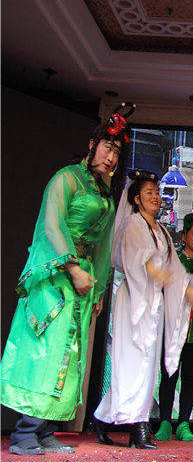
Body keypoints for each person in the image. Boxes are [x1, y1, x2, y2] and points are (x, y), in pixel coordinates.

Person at [0, 106, 133, 455]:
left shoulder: (103, 192)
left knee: (70, 356)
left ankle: (46, 431)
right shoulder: (66, 178)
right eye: (107, 147)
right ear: (92, 145)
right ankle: (24, 434)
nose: (111, 156)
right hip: (58, 276)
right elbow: (52, 226)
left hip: (83, 281)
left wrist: (98, 286)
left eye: (117, 151)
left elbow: (103, 245)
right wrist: (72, 268)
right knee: (47, 352)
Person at [93, 171, 193, 449]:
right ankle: (139, 427)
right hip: (135, 301)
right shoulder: (133, 225)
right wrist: (160, 276)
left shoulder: (162, 231)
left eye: (157, 193)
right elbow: (140, 261)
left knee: (147, 367)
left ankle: (105, 419)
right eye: (149, 193)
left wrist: (192, 295)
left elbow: (175, 270)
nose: (155, 197)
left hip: (153, 305)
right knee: (134, 363)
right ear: (137, 199)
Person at [154, 214, 193, 442]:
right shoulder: (173, 262)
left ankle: (183, 424)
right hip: (172, 331)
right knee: (169, 376)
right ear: (183, 237)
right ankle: (164, 422)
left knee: (190, 379)